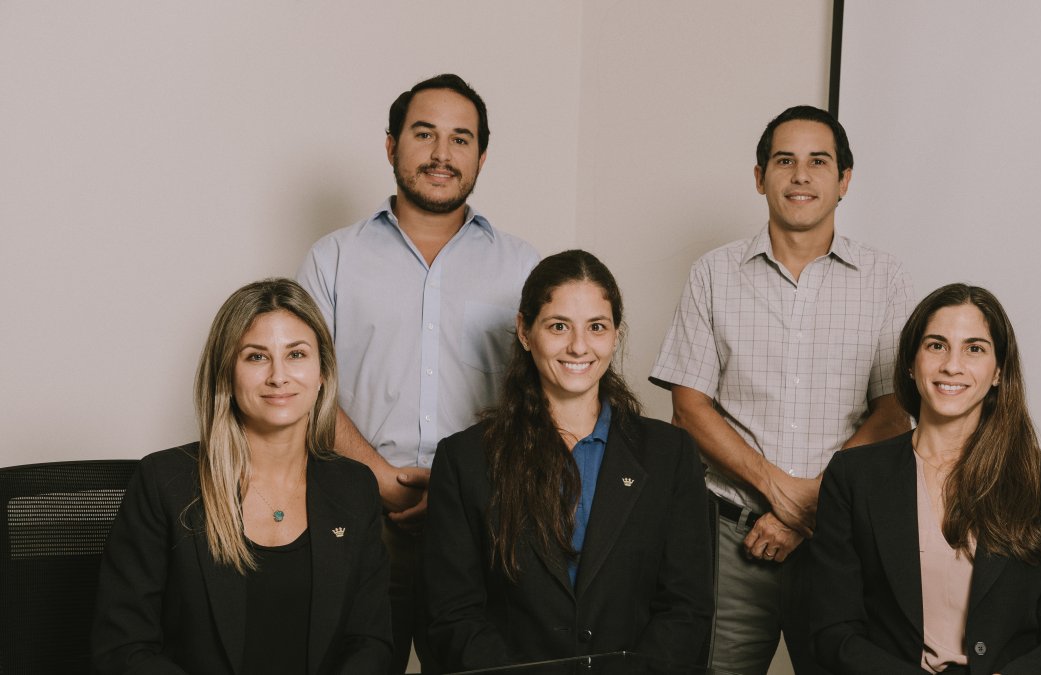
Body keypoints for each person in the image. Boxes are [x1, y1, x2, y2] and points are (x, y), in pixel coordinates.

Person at [649, 105, 914, 674]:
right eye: (784, 161)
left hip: (842, 543)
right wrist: (781, 491)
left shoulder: (885, 279)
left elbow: (894, 412)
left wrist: (813, 502)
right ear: (759, 176)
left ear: (844, 179)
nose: (800, 176)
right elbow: (689, 407)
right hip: (730, 539)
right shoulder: (713, 274)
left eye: (819, 162)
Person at [296, 73, 540, 671]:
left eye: (461, 139)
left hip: (483, 524)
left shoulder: (524, 268)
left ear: (481, 155)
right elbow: (301, 387)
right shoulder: (333, 259)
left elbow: (543, 394)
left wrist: (463, 487)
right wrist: (376, 474)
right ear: (391, 145)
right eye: (424, 133)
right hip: (354, 516)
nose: (441, 154)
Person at [424, 250, 713, 671]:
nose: (579, 346)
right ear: (525, 331)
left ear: (616, 334)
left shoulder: (670, 455)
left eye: (596, 327)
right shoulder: (464, 460)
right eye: (558, 326)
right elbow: (453, 616)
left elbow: (686, 610)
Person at [92, 278, 391, 675]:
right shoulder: (165, 481)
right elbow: (124, 648)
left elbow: (371, 641)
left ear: (322, 373)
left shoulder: (353, 487)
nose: (279, 377)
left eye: (297, 354)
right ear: (226, 375)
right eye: (256, 357)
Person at [808, 283, 1041, 674]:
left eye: (974, 348)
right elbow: (834, 633)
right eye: (936, 345)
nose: (952, 365)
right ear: (911, 363)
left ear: (998, 371)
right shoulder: (853, 477)